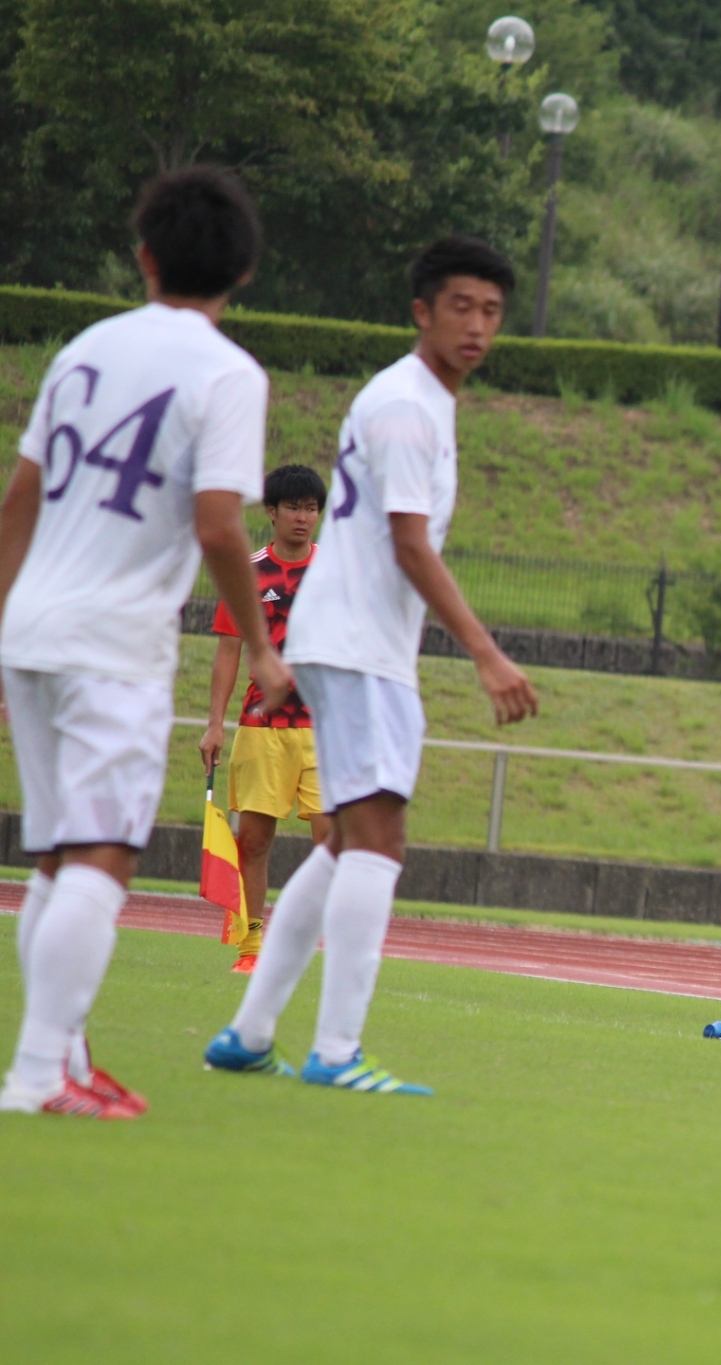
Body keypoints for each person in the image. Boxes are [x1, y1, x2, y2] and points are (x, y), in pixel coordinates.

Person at [204, 235, 539, 1095]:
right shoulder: (405, 406)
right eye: (460, 306)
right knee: (378, 838)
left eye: (491, 310)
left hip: (357, 643)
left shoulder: (419, 401)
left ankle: (249, 1033)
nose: (477, 325)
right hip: (358, 647)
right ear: (421, 311)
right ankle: (336, 1050)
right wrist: (486, 653)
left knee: (351, 837)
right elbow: (409, 544)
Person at [0, 167, 289, 1120]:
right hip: (112, 640)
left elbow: (19, 503)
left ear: (145, 256)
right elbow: (218, 525)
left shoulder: (82, 350)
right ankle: (38, 1075)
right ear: (243, 271)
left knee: (57, 857)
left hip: (31, 629)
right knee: (102, 855)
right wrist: (263, 648)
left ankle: (64, 1058)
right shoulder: (229, 373)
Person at [198, 464, 331, 973]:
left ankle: (319, 939)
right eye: (293, 507)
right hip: (262, 728)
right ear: (271, 512)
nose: (303, 517)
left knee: (333, 844)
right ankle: (251, 947)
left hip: (325, 730)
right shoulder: (248, 572)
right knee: (253, 842)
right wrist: (215, 724)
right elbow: (228, 652)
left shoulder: (336, 571)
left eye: (311, 508)